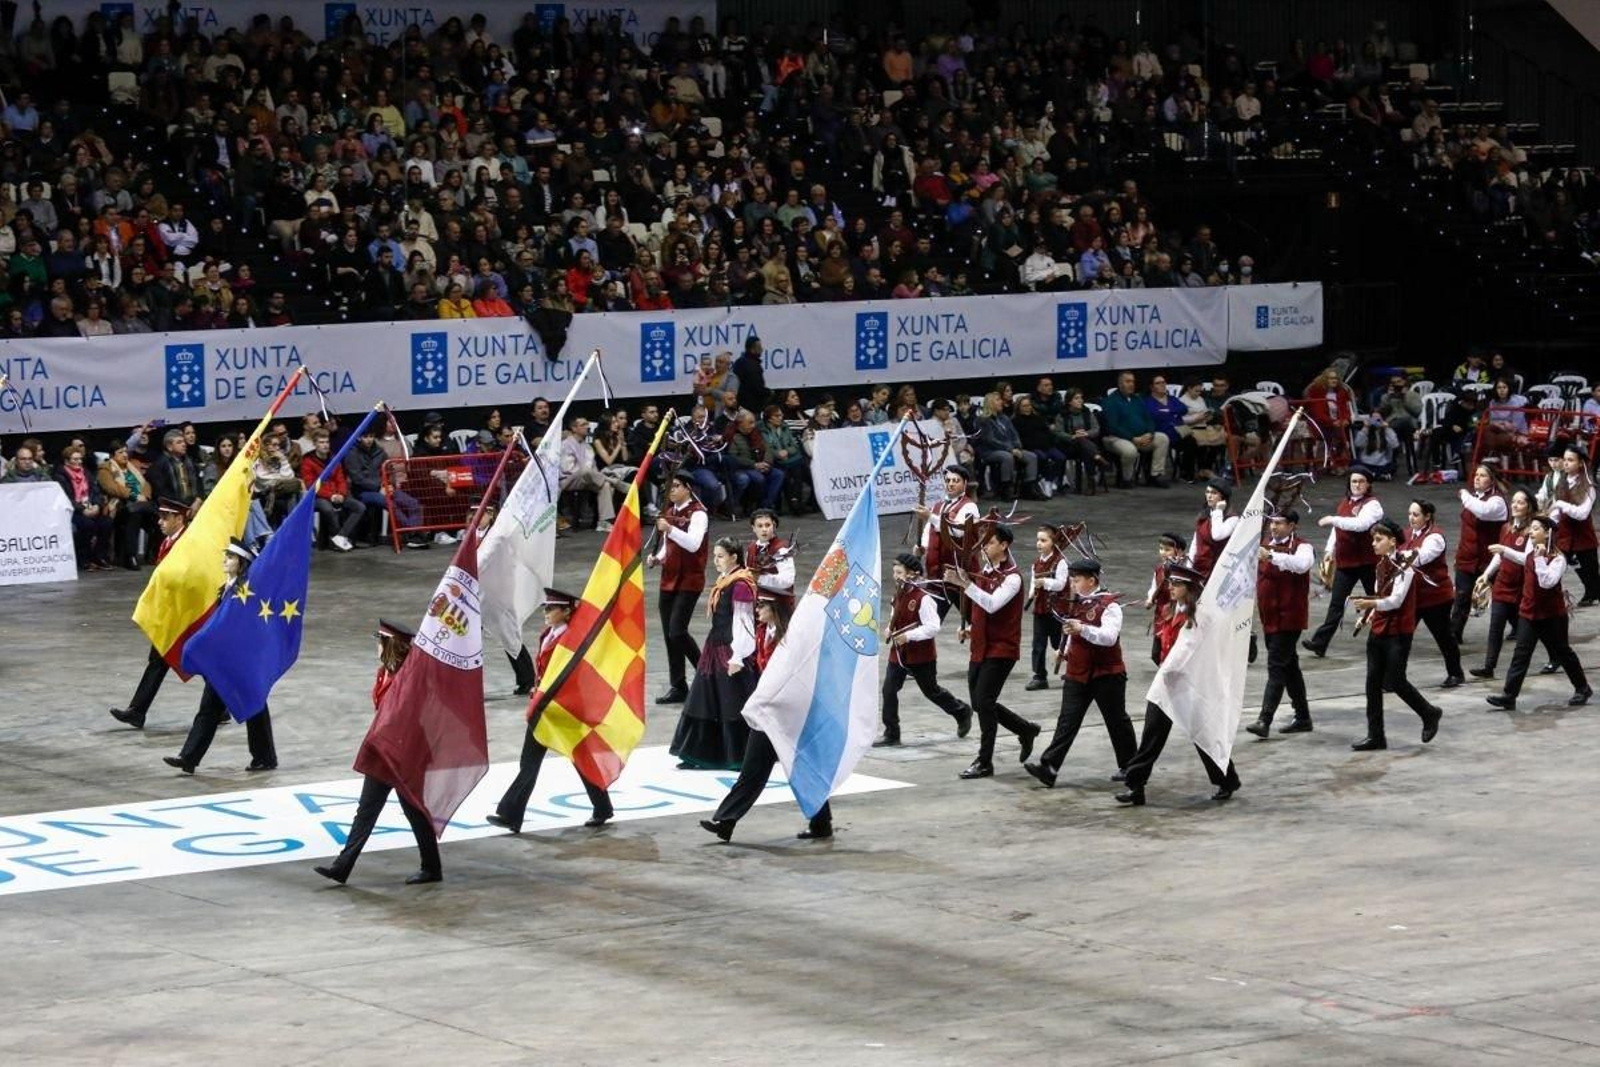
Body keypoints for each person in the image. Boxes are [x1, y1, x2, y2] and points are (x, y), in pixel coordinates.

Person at [313, 619, 443, 885]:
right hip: (384, 752)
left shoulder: (410, 679)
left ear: (390, 644)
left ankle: (432, 868)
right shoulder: (384, 672)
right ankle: (342, 866)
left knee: (414, 811)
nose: (376, 645)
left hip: (405, 754)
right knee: (368, 810)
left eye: (379, 641)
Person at [700, 591, 834, 842]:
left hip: (792, 714)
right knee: (753, 770)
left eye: (762, 606)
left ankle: (821, 823)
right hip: (769, 712)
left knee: (804, 769)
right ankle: (726, 822)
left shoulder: (793, 639)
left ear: (775, 609)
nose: (757, 610)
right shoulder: (763, 632)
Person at [485, 589, 615, 832]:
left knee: (580, 759)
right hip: (544, 708)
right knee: (531, 762)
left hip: (563, 709)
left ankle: (602, 807)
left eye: (550, 608)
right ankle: (511, 814)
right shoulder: (549, 634)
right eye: (545, 608)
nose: (545, 613)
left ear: (566, 612)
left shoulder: (571, 640)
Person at [1115, 563, 1241, 805]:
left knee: (1204, 735)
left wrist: (1167, 670)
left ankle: (1227, 779)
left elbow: (1186, 649)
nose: (1171, 587)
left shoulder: (1199, 616)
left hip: (1188, 685)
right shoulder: (1169, 610)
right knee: (1151, 738)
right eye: (1171, 583)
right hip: (1167, 684)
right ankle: (1135, 786)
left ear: (1190, 588)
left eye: (1177, 584)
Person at [163, 539, 278, 773]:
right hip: (225, 661)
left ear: (242, 563)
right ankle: (189, 758)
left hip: (240, 660)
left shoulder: (245, 591)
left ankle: (265, 757)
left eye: (231, 557)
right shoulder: (227, 588)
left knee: (254, 706)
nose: (225, 560)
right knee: (210, 708)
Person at [1024, 557, 1137, 788]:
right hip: (1077, 672)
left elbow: (1109, 637)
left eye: (1076, 580)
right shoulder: (1076, 603)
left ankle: (1131, 767)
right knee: (1067, 721)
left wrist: (1082, 629)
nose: (1073, 585)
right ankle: (1049, 767)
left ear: (1092, 580)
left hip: (1107, 674)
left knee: (1116, 721)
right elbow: (1071, 632)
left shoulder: (1110, 605)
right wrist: (1063, 650)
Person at [943, 525, 1041, 779]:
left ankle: (984, 760)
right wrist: (972, 629)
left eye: (989, 542)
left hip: (1002, 648)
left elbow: (992, 604)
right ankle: (1025, 729)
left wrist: (965, 584)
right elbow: (980, 610)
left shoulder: (1012, 577)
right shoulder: (985, 570)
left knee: (984, 701)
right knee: (979, 703)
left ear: (1004, 545)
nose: (984, 546)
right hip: (981, 645)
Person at [1348, 520, 1444, 751]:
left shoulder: (1406, 567)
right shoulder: (1380, 565)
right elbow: (1381, 594)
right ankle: (1376, 735)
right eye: (1373, 539)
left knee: (1396, 681)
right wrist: (1369, 614)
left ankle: (1429, 712)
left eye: (1378, 539)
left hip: (1399, 631)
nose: (1373, 544)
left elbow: (1396, 600)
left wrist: (1371, 603)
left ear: (1393, 541)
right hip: (1379, 629)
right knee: (1372, 684)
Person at [1485, 514, 1593, 710]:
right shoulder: (1530, 554)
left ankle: (1582, 687)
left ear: (1547, 533)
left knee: (1563, 652)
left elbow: (1546, 582)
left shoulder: (1558, 559)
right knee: (1521, 654)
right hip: (1529, 613)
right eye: (1531, 528)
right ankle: (1509, 696)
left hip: (1552, 616)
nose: (1531, 532)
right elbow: (1521, 558)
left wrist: (1540, 559)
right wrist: (1504, 550)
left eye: (1536, 529)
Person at [669, 537, 757, 770]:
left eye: (720, 556)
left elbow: (744, 622)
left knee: (732, 701)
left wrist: (738, 656)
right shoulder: (725, 580)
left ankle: (739, 755)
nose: (716, 560)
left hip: (729, 649)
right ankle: (700, 754)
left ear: (734, 558)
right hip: (714, 647)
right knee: (705, 698)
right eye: (715, 556)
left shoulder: (740, 585)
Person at [875, 553, 973, 746]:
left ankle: (961, 711)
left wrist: (909, 636)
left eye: (899, 572)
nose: (895, 576)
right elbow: (896, 616)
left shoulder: (924, 598)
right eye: (894, 572)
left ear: (913, 574)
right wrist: (889, 629)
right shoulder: (899, 594)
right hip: (899, 652)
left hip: (921, 654)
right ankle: (891, 733)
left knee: (931, 691)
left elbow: (933, 627)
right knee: (889, 689)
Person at [108, 499, 188, 729]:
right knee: (160, 660)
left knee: (200, 660)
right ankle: (137, 711)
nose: (160, 522)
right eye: (160, 517)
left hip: (184, 615)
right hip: (171, 614)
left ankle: (220, 706)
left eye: (165, 517)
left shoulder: (188, 544)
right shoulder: (168, 541)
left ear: (179, 519)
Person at [1246, 509, 1315, 737]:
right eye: (1272, 523)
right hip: (1270, 617)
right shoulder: (1264, 544)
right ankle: (1303, 717)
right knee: (1289, 667)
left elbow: (1301, 565)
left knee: (1276, 667)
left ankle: (1264, 720)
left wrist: (1271, 556)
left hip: (1289, 618)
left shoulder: (1303, 547)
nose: (1273, 527)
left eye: (1279, 523)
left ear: (1292, 525)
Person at [1305, 467, 1383, 657]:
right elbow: (1336, 530)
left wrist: (1333, 519)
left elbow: (1360, 525)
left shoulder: (1373, 505)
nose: (1357, 485)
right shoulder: (1345, 503)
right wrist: (1330, 550)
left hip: (1368, 563)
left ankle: (1387, 637)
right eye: (1353, 481)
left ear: (1368, 484)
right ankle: (1320, 643)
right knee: (1336, 604)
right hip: (1347, 563)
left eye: (1361, 481)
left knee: (1379, 601)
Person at [649, 472, 709, 704]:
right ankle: (678, 685)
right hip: (669, 578)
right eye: (668, 487)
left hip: (689, 580)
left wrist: (670, 529)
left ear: (688, 487)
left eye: (675, 486)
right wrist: (658, 558)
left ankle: (706, 675)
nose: (671, 491)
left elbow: (693, 545)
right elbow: (669, 545)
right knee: (669, 635)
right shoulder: (671, 512)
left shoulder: (698, 514)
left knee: (677, 631)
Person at [1471, 489, 1534, 679]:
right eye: (1513, 501)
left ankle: (1555, 656)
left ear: (1529, 506)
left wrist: (1505, 549)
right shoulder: (1506, 528)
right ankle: (1489, 667)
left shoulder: (1532, 531)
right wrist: (1486, 575)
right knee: (1495, 626)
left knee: (1536, 629)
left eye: (1520, 502)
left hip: (1522, 588)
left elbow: (1526, 559)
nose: (1515, 505)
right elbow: (1499, 556)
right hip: (1502, 585)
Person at [1402, 500, 1466, 687]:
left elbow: (1420, 558)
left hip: (1435, 598)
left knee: (1444, 637)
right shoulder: (1406, 534)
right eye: (1410, 514)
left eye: (1416, 515)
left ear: (1427, 516)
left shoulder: (1435, 537)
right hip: (1412, 597)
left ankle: (1456, 673)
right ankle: (1395, 676)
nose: (1411, 518)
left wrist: (1394, 555)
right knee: (1401, 638)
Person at [1452, 465, 1509, 644]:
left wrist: (1463, 494)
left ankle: (1519, 626)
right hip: (1467, 557)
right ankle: (1454, 634)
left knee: (1504, 597)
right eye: (1476, 474)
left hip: (1490, 560)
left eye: (1482, 475)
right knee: (1462, 597)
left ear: (1492, 480)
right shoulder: (1474, 497)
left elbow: (1482, 512)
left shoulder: (1497, 501)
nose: (1477, 478)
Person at [916, 464, 979, 620]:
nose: (950, 484)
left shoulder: (969, 507)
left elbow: (958, 531)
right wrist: (922, 547)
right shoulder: (938, 506)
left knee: (975, 620)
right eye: (948, 480)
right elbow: (928, 531)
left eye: (955, 480)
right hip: (937, 575)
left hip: (959, 574)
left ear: (964, 484)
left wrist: (930, 516)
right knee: (929, 621)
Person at [1548, 444, 1600, 605]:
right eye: (1565, 459)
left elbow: (1582, 514)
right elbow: (1556, 511)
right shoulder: (1561, 482)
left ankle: (1592, 593)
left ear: (1580, 463)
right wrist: (1548, 523)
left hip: (1583, 537)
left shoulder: (1589, 486)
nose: (1566, 463)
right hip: (1564, 536)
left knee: (1590, 572)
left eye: (1570, 460)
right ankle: (1552, 599)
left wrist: (1561, 505)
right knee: (1555, 568)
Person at [1100, 371, 1171, 488]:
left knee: (1162, 438)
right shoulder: (1110, 401)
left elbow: (1148, 419)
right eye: (1128, 381)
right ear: (1120, 384)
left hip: (1141, 437)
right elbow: (1113, 426)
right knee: (1130, 450)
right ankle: (1126, 479)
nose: (1131, 384)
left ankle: (1155, 475)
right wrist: (1132, 438)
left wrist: (1150, 433)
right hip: (1115, 438)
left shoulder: (1137, 399)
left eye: (1133, 381)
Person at [299, 429, 365, 551]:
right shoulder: (308, 461)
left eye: (327, 442)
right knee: (328, 509)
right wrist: (331, 496)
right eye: (321, 442)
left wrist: (340, 493)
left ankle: (341, 536)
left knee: (359, 507)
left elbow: (341, 480)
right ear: (315, 444)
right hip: (318, 496)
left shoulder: (334, 459)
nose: (325, 445)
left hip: (337, 493)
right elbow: (311, 486)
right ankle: (337, 538)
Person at [1025, 524, 1070, 690]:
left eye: (1043, 540)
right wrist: (1032, 591)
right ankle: (1039, 675)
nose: (1039, 543)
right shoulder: (1036, 563)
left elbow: (1060, 584)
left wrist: (1044, 582)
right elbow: (1033, 580)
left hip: (1057, 610)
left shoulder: (1060, 562)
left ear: (1053, 542)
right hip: (1040, 608)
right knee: (1038, 643)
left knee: (1060, 642)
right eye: (1038, 540)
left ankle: (1072, 670)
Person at [55, 445, 113, 570]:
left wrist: (97, 505)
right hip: (74, 511)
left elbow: (95, 491)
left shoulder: (86, 472)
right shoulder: (60, 476)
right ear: (66, 461)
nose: (79, 462)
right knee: (87, 525)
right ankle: (84, 558)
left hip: (91, 507)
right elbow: (65, 498)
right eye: (75, 459)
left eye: (80, 459)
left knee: (106, 523)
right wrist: (82, 509)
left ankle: (99, 556)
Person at [743, 509, 794, 610]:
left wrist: (759, 579)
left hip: (778, 606)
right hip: (756, 605)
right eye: (760, 526)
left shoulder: (782, 549)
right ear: (753, 528)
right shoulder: (751, 548)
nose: (764, 529)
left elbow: (788, 581)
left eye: (767, 525)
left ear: (774, 526)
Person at [1188, 478, 1237, 579]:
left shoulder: (1232, 518)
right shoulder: (1204, 515)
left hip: (1218, 570)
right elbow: (1196, 542)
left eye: (1214, 493)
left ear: (1223, 496)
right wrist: (1189, 566)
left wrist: (1218, 511)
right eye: (1207, 492)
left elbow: (1217, 535)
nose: (1209, 496)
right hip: (1200, 567)